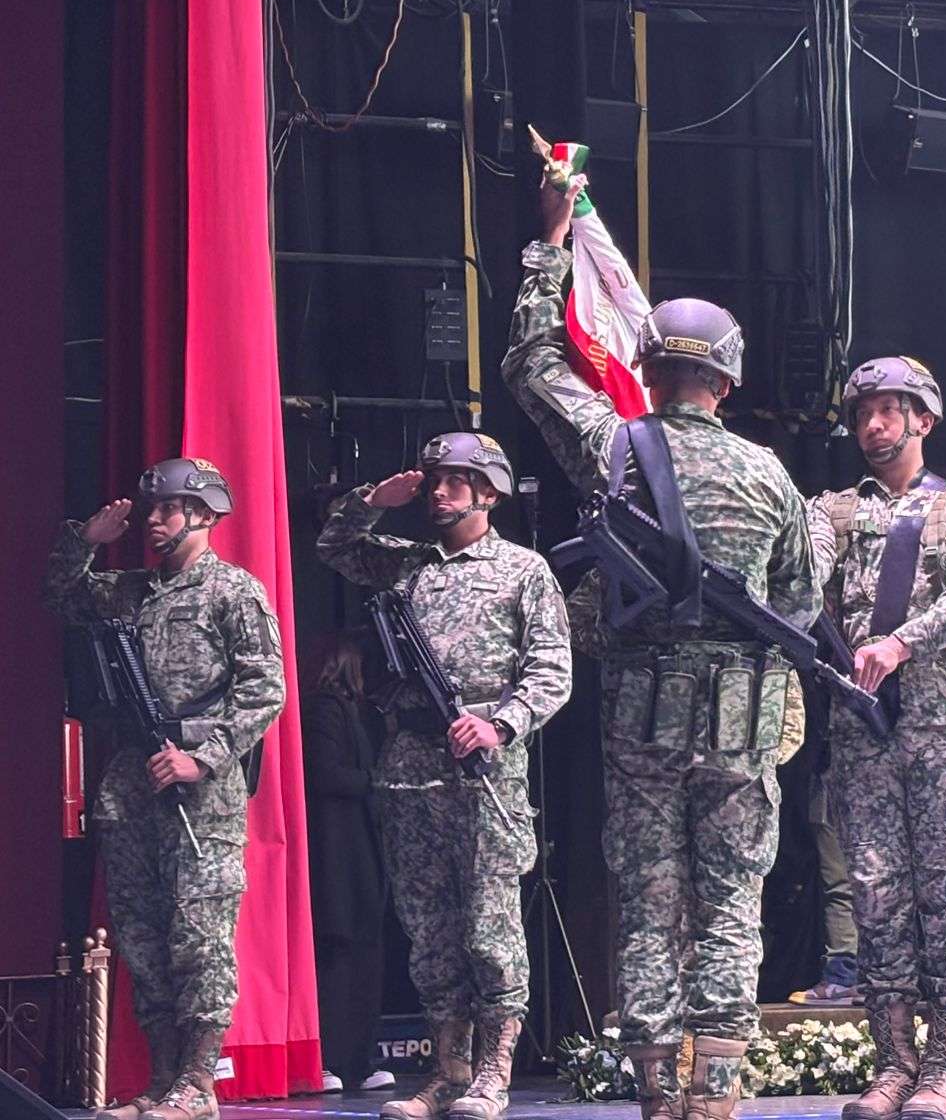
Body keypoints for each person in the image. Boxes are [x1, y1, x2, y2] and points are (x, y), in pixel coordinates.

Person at [502, 167, 820, 1120]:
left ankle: (654, 1089)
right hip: (743, 718)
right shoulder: (770, 475)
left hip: (640, 711)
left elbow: (531, 367)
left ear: (648, 366)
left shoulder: (615, 445)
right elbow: (800, 601)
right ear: (728, 379)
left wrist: (550, 246)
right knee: (730, 900)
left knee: (646, 899)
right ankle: (716, 1090)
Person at [317, 432, 573, 1120]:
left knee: (490, 930)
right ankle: (449, 1071)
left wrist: (502, 723)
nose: (439, 490)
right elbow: (334, 546)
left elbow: (553, 669)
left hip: (483, 772)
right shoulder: (405, 565)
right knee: (429, 932)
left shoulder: (523, 571)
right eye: (434, 479)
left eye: (456, 480)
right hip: (410, 767)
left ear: (489, 491)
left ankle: (493, 1072)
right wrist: (373, 500)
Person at [44, 459, 285, 1120]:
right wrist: (85, 541)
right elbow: (60, 596)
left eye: (168, 508)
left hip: (199, 794)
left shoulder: (234, 592)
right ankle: (161, 1081)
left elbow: (265, 690)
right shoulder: (131, 590)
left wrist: (202, 759)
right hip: (132, 780)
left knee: (199, 938)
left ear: (204, 514)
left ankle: (198, 1083)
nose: (153, 519)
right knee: (142, 938)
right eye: (150, 508)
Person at [808, 356, 946, 1120]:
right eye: (863, 413)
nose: (873, 424)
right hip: (865, 736)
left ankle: (943, 1068)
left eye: (889, 410)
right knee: (876, 899)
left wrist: (902, 641)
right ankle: (892, 1066)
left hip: (944, 732)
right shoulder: (833, 512)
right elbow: (798, 580)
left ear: (923, 418)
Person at [301, 634, 393, 1096]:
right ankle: (329, 1058)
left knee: (366, 953)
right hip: (337, 851)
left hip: (362, 850)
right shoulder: (325, 709)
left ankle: (360, 1059)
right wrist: (379, 782)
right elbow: (324, 773)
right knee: (338, 953)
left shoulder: (359, 713)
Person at [788, 770, 863, 1006]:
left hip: (876, 780)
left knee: (857, 887)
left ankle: (850, 978)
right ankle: (843, 978)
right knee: (840, 886)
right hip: (830, 776)